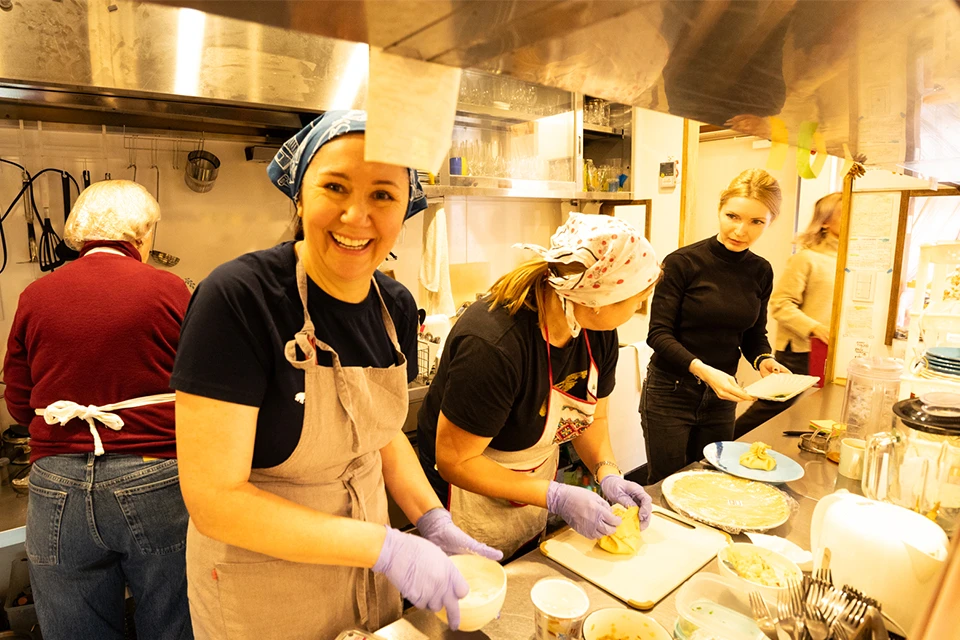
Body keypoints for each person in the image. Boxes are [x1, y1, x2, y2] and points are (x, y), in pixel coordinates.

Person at [170, 111, 499, 640]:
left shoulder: (395, 305)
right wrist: (385, 547)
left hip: (367, 578)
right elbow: (215, 501)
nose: (356, 215)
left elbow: (381, 432)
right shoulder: (238, 299)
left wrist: (432, 518)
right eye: (335, 187)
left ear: (406, 208)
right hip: (264, 592)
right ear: (300, 196)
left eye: (383, 195)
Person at [2, 180, 193, 640]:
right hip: (154, 475)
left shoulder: (36, 295)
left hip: (57, 482)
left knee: (73, 629)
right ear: (141, 234)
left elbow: (19, 403)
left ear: (81, 235)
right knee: (173, 621)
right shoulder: (170, 290)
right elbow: (202, 390)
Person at [417, 213, 661, 558]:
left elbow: (594, 418)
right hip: (465, 491)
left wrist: (607, 471)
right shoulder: (493, 345)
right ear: (600, 298)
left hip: (532, 479)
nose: (639, 308)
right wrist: (555, 496)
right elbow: (456, 461)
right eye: (638, 300)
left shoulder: (597, 332)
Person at [642, 169, 790, 485]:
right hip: (671, 392)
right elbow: (658, 335)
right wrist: (704, 371)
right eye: (732, 216)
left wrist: (764, 359)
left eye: (756, 222)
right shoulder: (683, 262)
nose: (740, 230)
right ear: (720, 209)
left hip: (722, 398)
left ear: (770, 222)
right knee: (667, 483)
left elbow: (754, 334)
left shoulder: (761, 271)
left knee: (714, 480)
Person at [733, 192, 841, 437]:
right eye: (845, 214)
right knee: (770, 407)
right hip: (800, 350)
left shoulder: (850, 262)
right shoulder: (806, 259)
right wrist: (815, 328)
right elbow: (781, 304)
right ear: (825, 221)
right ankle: (723, 444)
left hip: (831, 352)